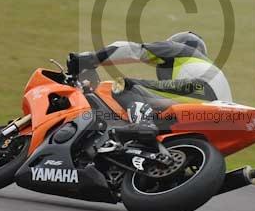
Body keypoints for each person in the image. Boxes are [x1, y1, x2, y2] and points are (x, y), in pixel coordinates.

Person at [68, 31, 233, 141]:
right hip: (220, 118)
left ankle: (144, 124)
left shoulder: (179, 49)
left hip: (198, 92)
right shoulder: (211, 69)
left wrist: (90, 59)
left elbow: (132, 50)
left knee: (122, 84)